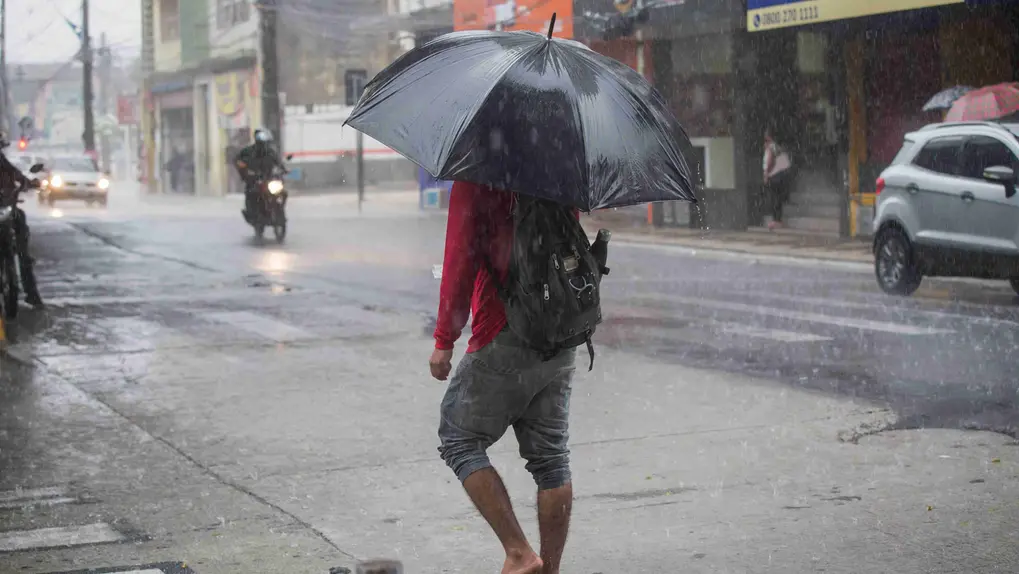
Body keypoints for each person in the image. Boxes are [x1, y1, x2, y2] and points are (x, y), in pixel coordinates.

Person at [430, 181, 576, 574]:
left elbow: (460, 257)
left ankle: (519, 553)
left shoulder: (479, 171)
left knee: (458, 438)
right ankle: (550, 569)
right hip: (562, 328)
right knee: (551, 459)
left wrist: (445, 338)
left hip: (505, 327)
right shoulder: (561, 160)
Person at [0, 133, 43, 307]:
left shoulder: (3, 162)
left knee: (23, 251)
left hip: (6, 207)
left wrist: (29, 183)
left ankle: (31, 292)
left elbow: (16, 174)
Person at [234, 129, 284, 219]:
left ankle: (277, 209)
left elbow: (278, 162)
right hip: (254, 179)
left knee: (282, 192)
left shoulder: (270, 152)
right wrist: (245, 171)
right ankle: (252, 213)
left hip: (268, 178)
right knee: (252, 193)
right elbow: (238, 160)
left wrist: (283, 169)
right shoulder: (248, 151)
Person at [763, 128, 795, 230]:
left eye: (766, 135)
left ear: (768, 137)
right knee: (778, 198)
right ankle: (778, 220)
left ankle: (775, 220)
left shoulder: (770, 148)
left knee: (774, 198)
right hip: (782, 175)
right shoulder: (778, 147)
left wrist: (766, 174)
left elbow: (769, 161)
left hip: (774, 175)